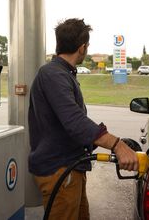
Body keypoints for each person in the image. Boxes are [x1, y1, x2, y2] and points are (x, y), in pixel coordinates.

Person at [28, 18, 139, 220]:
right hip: (60, 171)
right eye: (87, 46)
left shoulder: (61, 74)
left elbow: (66, 126)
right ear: (82, 48)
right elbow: (75, 123)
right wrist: (117, 145)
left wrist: (99, 142)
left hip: (70, 168)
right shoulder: (53, 74)